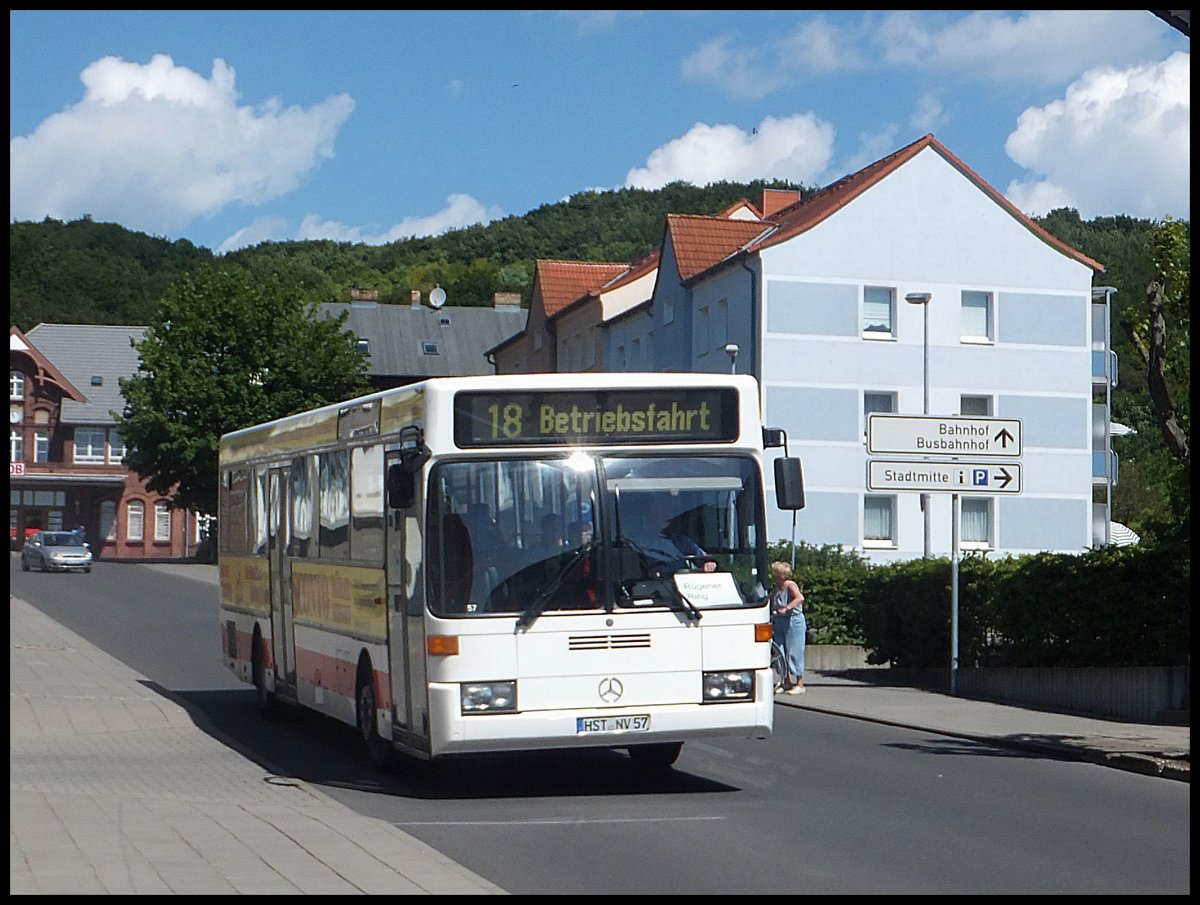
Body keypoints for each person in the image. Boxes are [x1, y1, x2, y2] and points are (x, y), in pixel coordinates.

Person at [628, 496, 716, 576]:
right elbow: (634, 572)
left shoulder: (681, 541)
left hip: (684, 586)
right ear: (649, 513)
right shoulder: (637, 543)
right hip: (652, 589)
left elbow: (703, 557)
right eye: (662, 509)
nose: (668, 514)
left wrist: (709, 563)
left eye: (670, 510)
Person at [770, 560, 806, 694]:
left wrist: (787, 608)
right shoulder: (776, 587)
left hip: (793, 621)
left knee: (794, 651)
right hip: (779, 621)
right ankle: (786, 681)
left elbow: (800, 598)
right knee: (780, 650)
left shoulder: (790, 585)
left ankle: (800, 684)